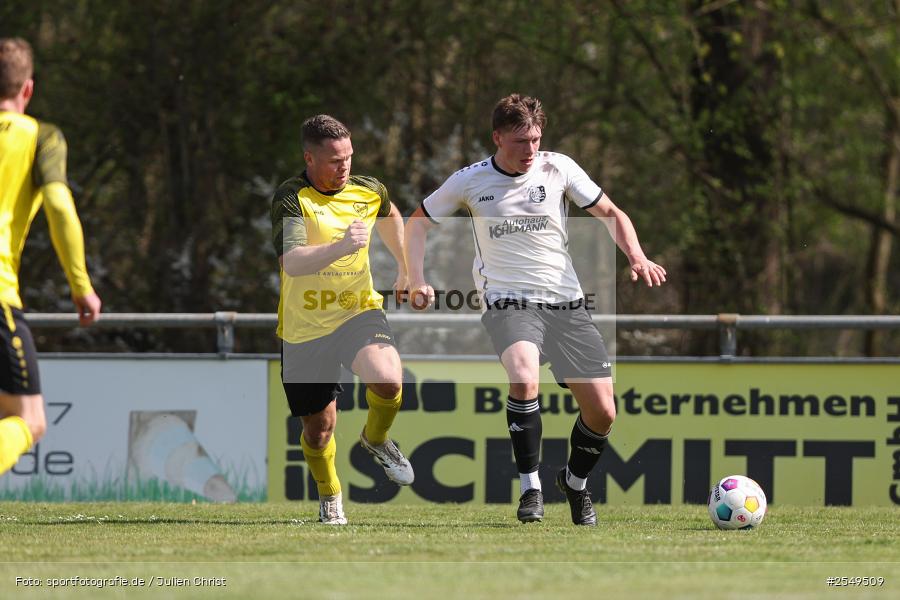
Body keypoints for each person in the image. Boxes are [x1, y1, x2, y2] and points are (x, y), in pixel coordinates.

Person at [405, 94, 666, 526]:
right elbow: (417, 223)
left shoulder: (558, 168)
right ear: (497, 138)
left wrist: (636, 256)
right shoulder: (470, 180)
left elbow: (610, 212)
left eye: (536, 139)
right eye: (520, 141)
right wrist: (416, 278)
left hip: (565, 302)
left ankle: (575, 484)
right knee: (524, 377)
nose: (530, 150)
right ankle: (531, 489)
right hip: (508, 300)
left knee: (603, 412)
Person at [271, 114, 414, 525]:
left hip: (357, 311)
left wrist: (405, 268)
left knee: (388, 378)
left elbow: (389, 213)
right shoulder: (291, 197)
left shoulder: (368, 189)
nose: (344, 167)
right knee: (319, 430)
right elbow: (292, 262)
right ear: (309, 158)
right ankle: (330, 496)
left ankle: (376, 439)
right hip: (305, 327)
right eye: (335, 160)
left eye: (349, 157)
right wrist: (340, 246)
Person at [0, 38, 102, 475]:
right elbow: (59, 206)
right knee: (29, 419)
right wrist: (81, 286)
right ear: (27, 89)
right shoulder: (41, 136)